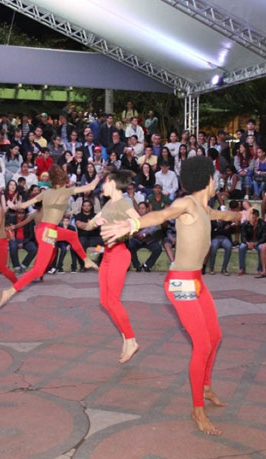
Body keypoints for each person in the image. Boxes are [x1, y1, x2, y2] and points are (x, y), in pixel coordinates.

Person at [101, 155, 246, 435]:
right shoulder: (187, 204)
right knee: (202, 345)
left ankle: (205, 387)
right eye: (214, 177)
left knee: (215, 337)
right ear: (206, 180)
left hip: (196, 282)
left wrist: (241, 215)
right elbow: (162, 215)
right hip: (180, 283)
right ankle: (197, 409)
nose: (217, 182)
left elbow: (223, 215)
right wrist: (131, 225)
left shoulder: (205, 208)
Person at [0, 166, 100, 309]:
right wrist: (99, 176)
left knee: (72, 234)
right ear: (62, 180)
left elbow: (24, 205)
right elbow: (92, 186)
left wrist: (12, 205)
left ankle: (86, 260)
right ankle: (10, 291)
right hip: (47, 232)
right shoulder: (66, 191)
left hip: (45, 230)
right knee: (38, 270)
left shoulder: (45, 193)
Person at [81, 169, 141, 362]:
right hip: (106, 255)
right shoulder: (107, 204)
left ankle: (131, 339)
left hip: (119, 254)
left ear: (113, 183)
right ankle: (126, 337)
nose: (102, 187)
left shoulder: (123, 202)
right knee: (105, 302)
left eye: (104, 183)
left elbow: (138, 220)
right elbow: (88, 226)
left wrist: (126, 229)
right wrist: (94, 221)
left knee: (113, 300)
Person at [127, 202, 162, 272]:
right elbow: (131, 229)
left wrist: (145, 234)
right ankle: (137, 265)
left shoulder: (151, 217)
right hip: (137, 239)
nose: (141, 210)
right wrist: (136, 233)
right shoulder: (134, 218)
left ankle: (147, 265)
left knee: (158, 249)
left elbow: (153, 228)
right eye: (139, 208)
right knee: (130, 246)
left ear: (147, 209)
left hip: (149, 239)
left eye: (143, 208)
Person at [238, 208, 266, 275]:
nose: (250, 219)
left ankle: (260, 269)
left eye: (253, 217)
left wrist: (256, 243)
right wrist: (247, 243)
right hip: (248, 241)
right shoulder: (245, 223)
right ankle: (242, 268)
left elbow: (264, 238)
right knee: (242, 247)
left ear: (257, 217)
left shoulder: (263, 224)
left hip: (258, 242)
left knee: (261, 248)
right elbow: (243, 236)